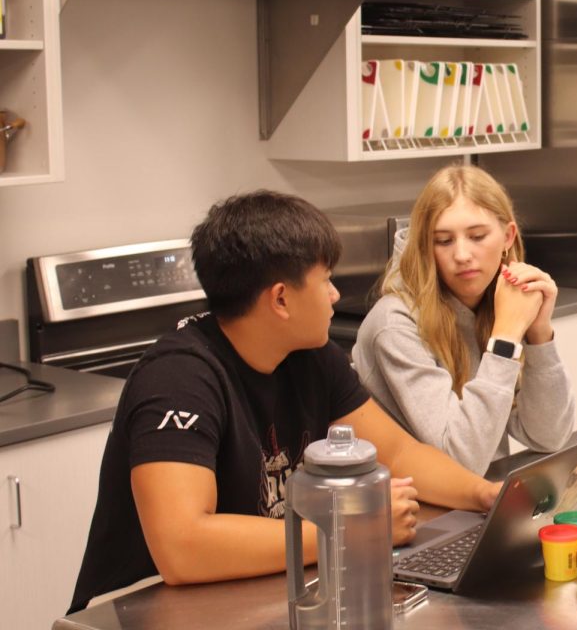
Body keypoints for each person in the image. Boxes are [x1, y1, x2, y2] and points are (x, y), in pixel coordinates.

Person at [69, 191, 501, 614]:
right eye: (326, 280)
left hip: (257, 588)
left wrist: (482, 494)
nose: (334, 295)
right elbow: (183, 547)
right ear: (280, 298)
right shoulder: (178, 378)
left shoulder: (311, 355)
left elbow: (400, 452)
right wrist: (355, 530)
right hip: (144, 608)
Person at [353, 164, 574, 475]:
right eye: (443, 241)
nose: (462, 254)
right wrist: (506, 339)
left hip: (478, 501)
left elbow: (549, 436)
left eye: (477, 236)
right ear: (425, 247)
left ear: (508, 236)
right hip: (416, 511)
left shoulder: (499, 300)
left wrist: (539, 335)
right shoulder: (394, 324)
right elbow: (459, 463)